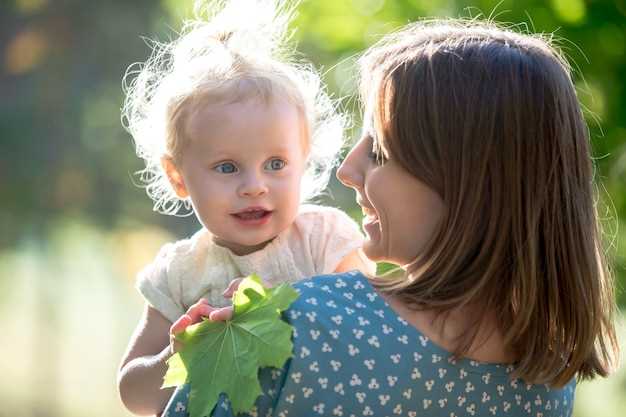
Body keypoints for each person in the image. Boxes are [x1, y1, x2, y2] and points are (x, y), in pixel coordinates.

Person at [161, 18, 619, 417]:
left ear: (466, 183)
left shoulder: (295, 321)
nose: (346, 169)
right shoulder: (548, 379)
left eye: (379, 151)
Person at [116, 1, 375, 415]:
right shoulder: (180, 274)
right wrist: (179, 356)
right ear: (178, 176)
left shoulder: (324, 241)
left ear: (303, 160)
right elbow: (132, 392)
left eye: (276, 164)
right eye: (227, 167)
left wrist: (293, 313)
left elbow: (373, 339)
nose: (254, 187)